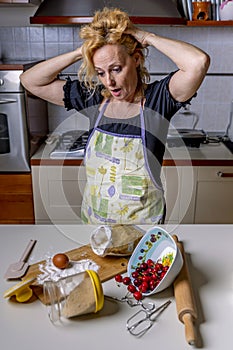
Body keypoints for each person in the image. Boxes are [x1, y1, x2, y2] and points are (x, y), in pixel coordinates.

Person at [20, 7, 210, 225]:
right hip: (96, 227)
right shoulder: (92, 98)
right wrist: (80, 52)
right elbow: (30, 80)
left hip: (144, 229)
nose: (108, 81)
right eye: (100, 72)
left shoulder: (158, 100)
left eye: (116, 69)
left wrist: (146, 37)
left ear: (136, 60)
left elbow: (198, 62)